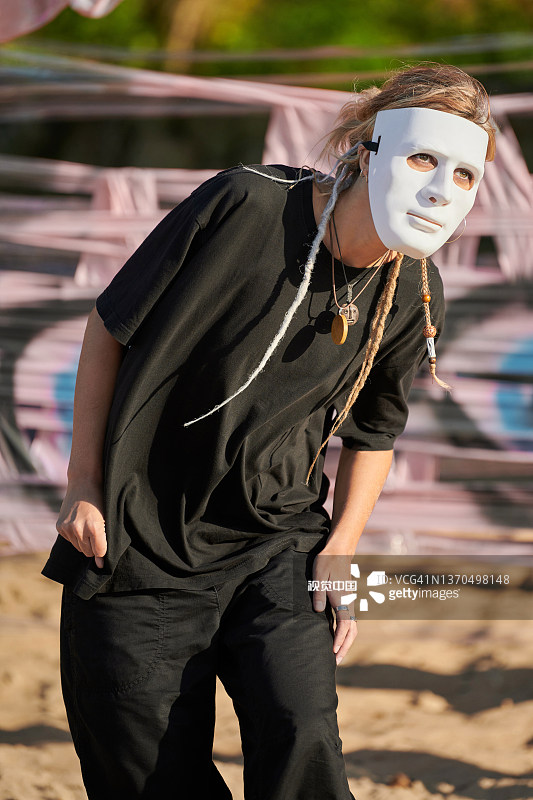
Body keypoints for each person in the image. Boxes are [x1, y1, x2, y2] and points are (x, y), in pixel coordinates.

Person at [43, 63, 496, 800]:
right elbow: (108, 328)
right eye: (421, 157)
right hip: (135, 538)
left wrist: (342, 548)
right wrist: (85, 483)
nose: (441, 188)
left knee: (302, 731)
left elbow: (373, 433)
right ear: (365, 149)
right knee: (149, 771)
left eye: (466, 176)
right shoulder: (245, 202)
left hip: (276, 543)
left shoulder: (412, 287)